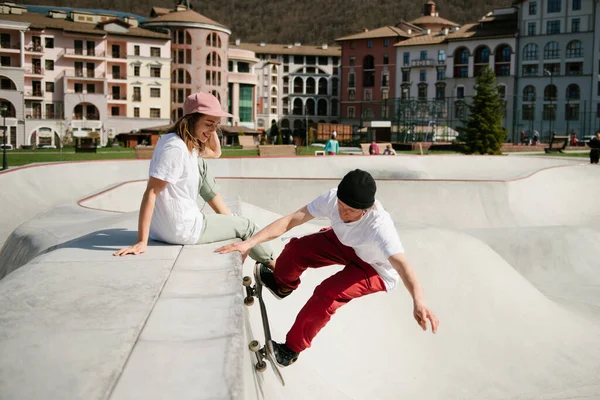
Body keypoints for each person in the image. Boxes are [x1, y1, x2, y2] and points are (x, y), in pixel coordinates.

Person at [217, 169, 439, 367]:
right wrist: (249, 243)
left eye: (350, 211)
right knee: (297, 249)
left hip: (375, 269)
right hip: (347, 245)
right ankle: (282, 284)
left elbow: (403, 267)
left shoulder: (380, 228)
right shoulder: (333, 198)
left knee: (327, 294)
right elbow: (291, 220)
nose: (343, 213)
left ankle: (291, 349)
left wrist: (419, 300)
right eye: (341, 206)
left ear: (366, 210)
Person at [114, 92, 274, 268]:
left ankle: (227, 217)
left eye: (216, 125)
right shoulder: (175, 149)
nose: (213, 130)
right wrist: (141, 241)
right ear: (190, 120)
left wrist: (209, 127)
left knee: (201, 165)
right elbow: (151, 192)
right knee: (248, 227)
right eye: (208, 123)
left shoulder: (182, 142)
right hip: (184, 229)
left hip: (165, 229)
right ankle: (280, 275)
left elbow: (216, 152)